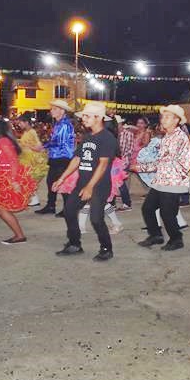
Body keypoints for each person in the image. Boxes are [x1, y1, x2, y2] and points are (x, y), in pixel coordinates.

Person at [52, 102, 116, 261]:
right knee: (69, 211)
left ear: (98, 118)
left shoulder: (107, 138)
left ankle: (106, 248)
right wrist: (62, 178)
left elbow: (103, 165)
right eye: (84, 116)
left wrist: (89, 187)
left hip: (99, 185)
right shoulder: (88, 137)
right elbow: (77, 159)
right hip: (82, 183)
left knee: (96, 218)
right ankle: (74, 244)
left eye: (87, 116)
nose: (83, 119)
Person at [133, 105, 190, 252]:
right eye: (163, 116)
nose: (163, 119)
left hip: (173, 181)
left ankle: (176, 239)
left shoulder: (179, 137)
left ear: (176, 120)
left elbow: (165, 161)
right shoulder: (167, 137)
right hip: (162, 180)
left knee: (167, 213)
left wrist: (142, 168)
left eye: (167, 117)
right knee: (148, 208)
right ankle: (156, 235)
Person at [35, 99, 75, 217]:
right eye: (52, 108)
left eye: (55, 109)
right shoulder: (59, 123)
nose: (51, 110)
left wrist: (43, 146)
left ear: (62, 111)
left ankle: (67, 209)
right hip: (57, 157)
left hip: (62, 157)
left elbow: (59, 142)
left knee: (62, 184)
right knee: (51, 182)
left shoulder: (64, 124)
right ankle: (51, 206)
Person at [15, 113, 49, 207]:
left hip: (32, 160)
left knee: (29, 180)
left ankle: (33, 199)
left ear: (26, 122)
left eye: (20, 123)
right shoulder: (26, 132)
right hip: (26, 159)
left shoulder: (32, 132)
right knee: (27, 180)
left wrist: (26, 145)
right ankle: (33, 199)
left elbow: (39, 147)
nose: (19, 125)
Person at [115, 115, 135, 211]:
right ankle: (112, 203)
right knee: (114, 182)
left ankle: (127, 203)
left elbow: (130, 150)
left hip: (123, 161)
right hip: (114, 161)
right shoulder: (114, 134)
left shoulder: (128, 134)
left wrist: (123, 160)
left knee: (120, 182)